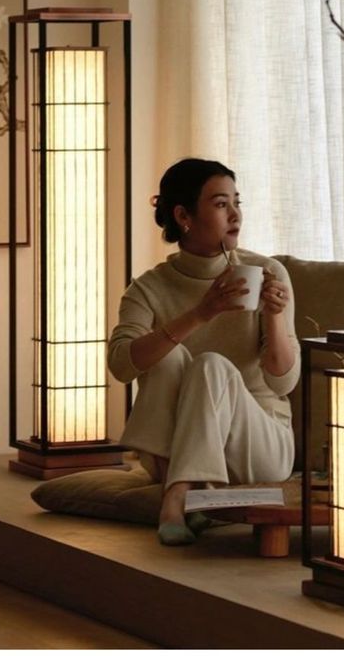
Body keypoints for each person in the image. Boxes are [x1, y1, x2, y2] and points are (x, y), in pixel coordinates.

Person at [108, 157, 300, 545]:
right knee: (170, 354)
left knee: (211, 365)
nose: (235, 214)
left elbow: (283, 382)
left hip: (259, 443)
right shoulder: (148, 288)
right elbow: (121, 365)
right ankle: (188, 483)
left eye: (236, 201)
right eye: (219, 204)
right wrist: (201, 313)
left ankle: (177, 495)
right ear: (183, 215)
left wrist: (275, 317)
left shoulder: (267, 273)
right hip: (172, 446)